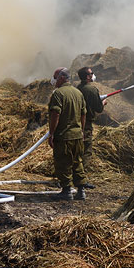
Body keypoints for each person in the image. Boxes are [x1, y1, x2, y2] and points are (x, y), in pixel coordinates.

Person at [48, 67, 87, 201]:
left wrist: (51, 133)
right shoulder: (78, 93)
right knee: (78, 162)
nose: (54, 81)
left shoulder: (58, 94)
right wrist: (81, 131)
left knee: (63, 162)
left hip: (64, 136)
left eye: (55, 77)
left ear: (62, 78)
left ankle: (66, 191)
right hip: (77, 135)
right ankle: (81, 191)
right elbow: (83, 114)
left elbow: (55, 114)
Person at [77, 66, 107, 188]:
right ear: (88, 77)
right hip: (86, 124)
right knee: (86, 151)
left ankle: (74, 176)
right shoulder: (92, 89)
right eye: (91, 73)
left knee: (77, 151)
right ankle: (81, 180)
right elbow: (98, 108)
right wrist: (103, 103)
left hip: (76, 122)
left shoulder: (78, 88)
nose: (93, 75)